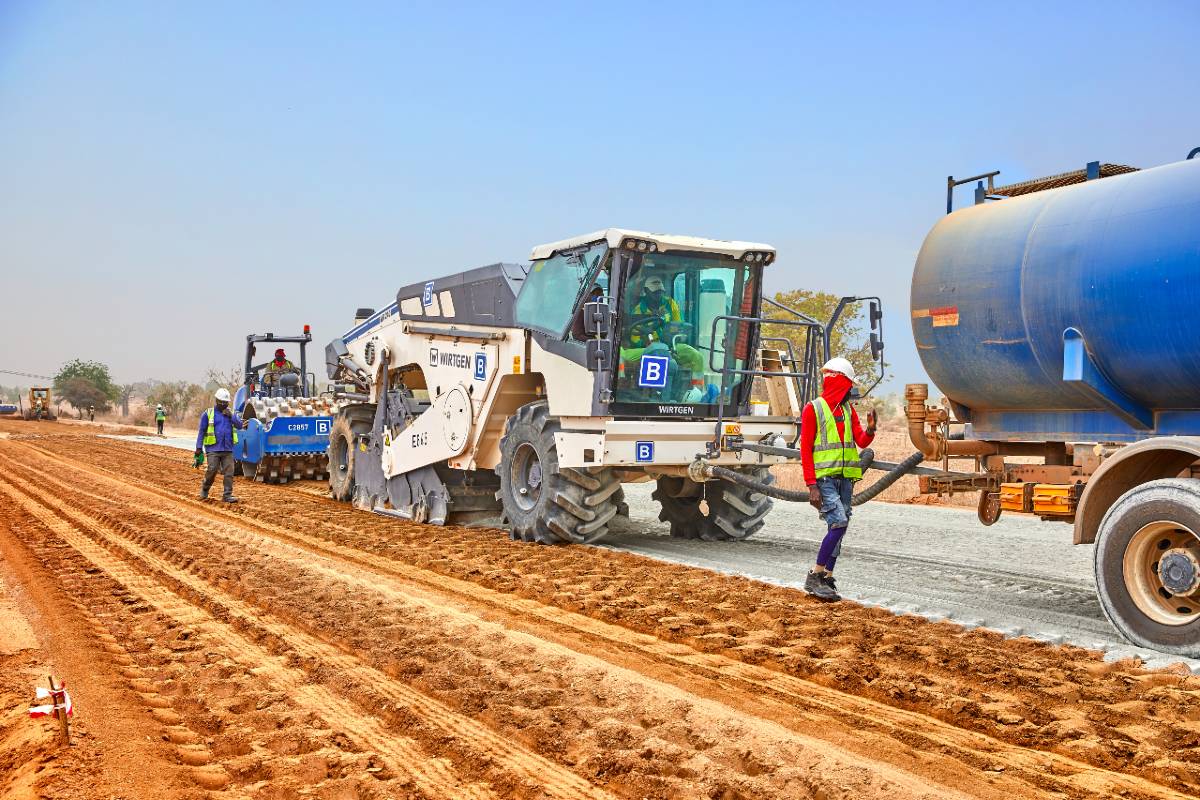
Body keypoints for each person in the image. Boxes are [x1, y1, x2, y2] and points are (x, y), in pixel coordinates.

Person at [801, 357, 876, 601]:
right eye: (848, 386)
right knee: (838, 524)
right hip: (825, 479)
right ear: (839, 384)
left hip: (845, 479)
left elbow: (861, 441)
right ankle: (815, 575)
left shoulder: (847, 410)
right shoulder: (814, 409)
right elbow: (806, 450)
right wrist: (811, 485)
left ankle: (827, 577)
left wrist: (871, 430)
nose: (851, 392)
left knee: (841, 528)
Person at [194, 388, 246, 502]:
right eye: (222, 402)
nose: (224, 404)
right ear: (216, 401)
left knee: (229, 472)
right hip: (213, 448)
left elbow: (240, 425)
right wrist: (198, 447)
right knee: (212, 470)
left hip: (227, 448)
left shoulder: (230, 414)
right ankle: (205, 488)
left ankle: (227, 495)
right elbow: (202, 431)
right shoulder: (208, 414)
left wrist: (231, 416)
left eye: (226, 402)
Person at [627, 275, 681, 346]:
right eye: (655, 292)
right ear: (646, 290)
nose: (658, 294)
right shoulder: (638, 310)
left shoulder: (670, 303)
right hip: (649, 348)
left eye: (660, 291)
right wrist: (646, 339)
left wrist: (665, 324)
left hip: (671, 345)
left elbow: (679, 326)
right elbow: (635, 341)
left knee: (694, 354)